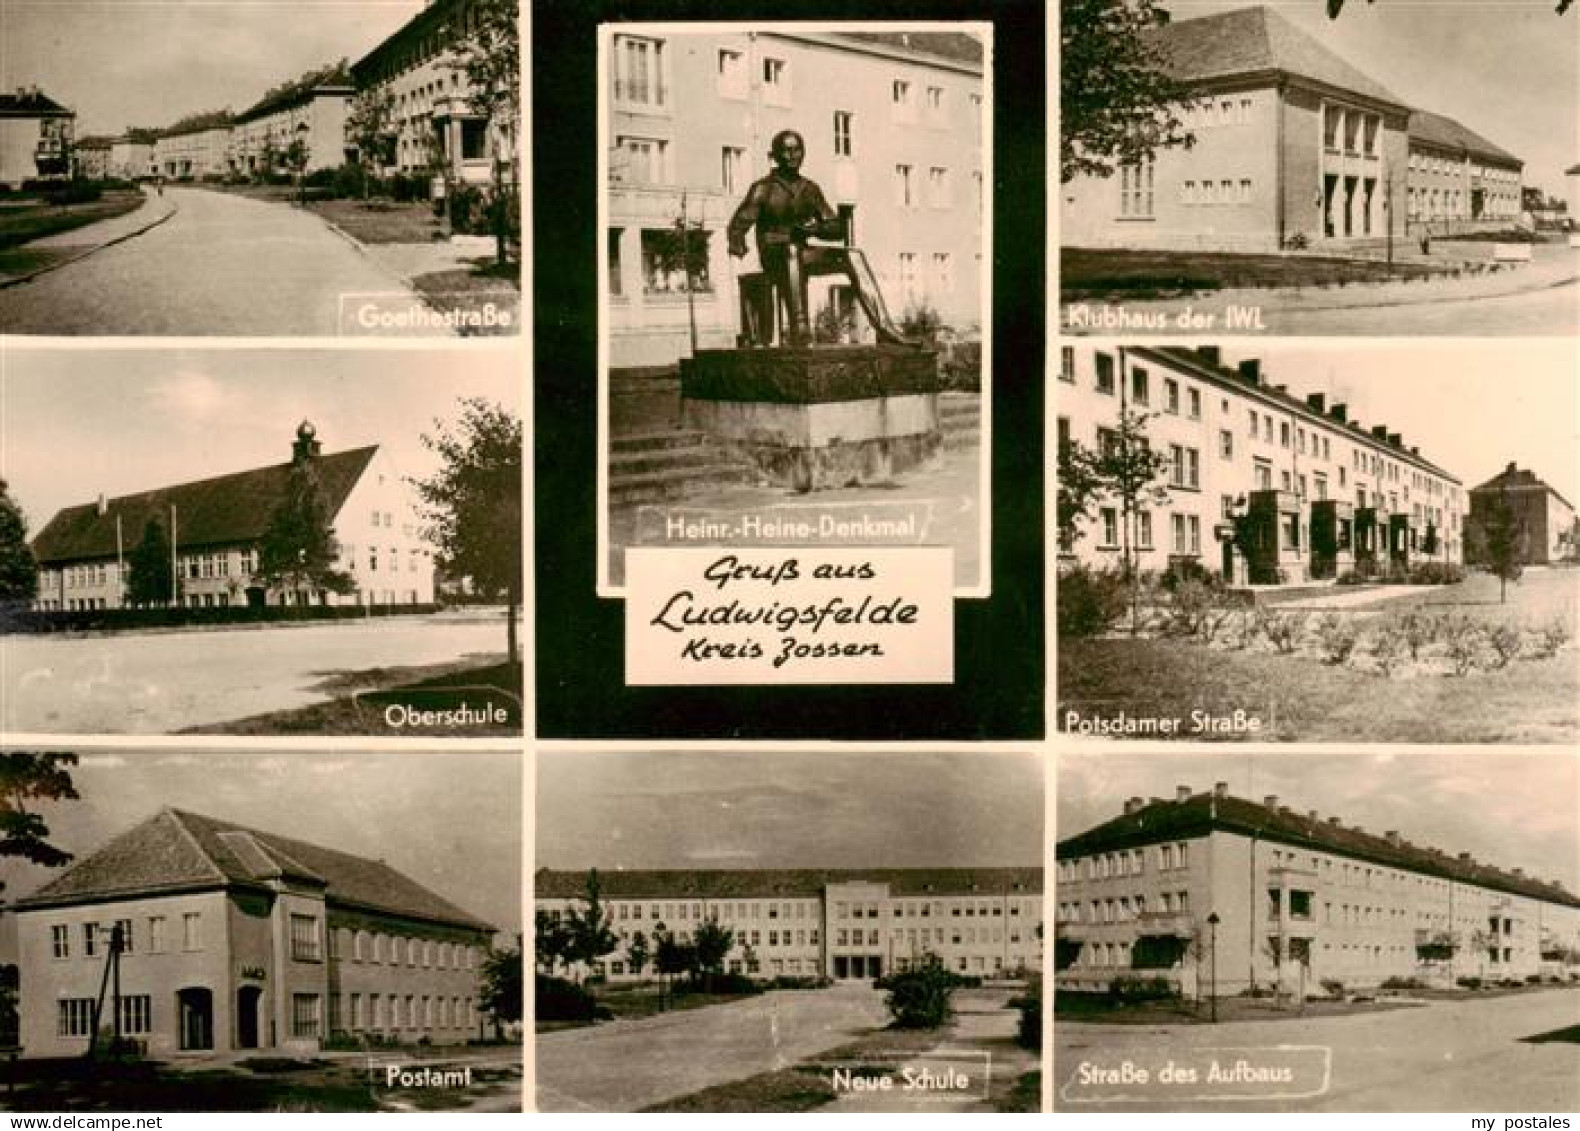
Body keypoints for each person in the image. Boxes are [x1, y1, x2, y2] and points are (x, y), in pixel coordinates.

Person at [727, 130, 911, 348]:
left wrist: (814, 229)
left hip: (801, 252)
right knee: (792, 251)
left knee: (853, 255)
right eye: (785, 150)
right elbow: (738, 224)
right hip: (774, 254)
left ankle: (885, 327)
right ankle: (800, 331)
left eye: (797, 150)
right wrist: (738, 245)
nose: (792, 156)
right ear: (775, 155)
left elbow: (836, 228)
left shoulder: (809, 189)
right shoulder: (763, 188)